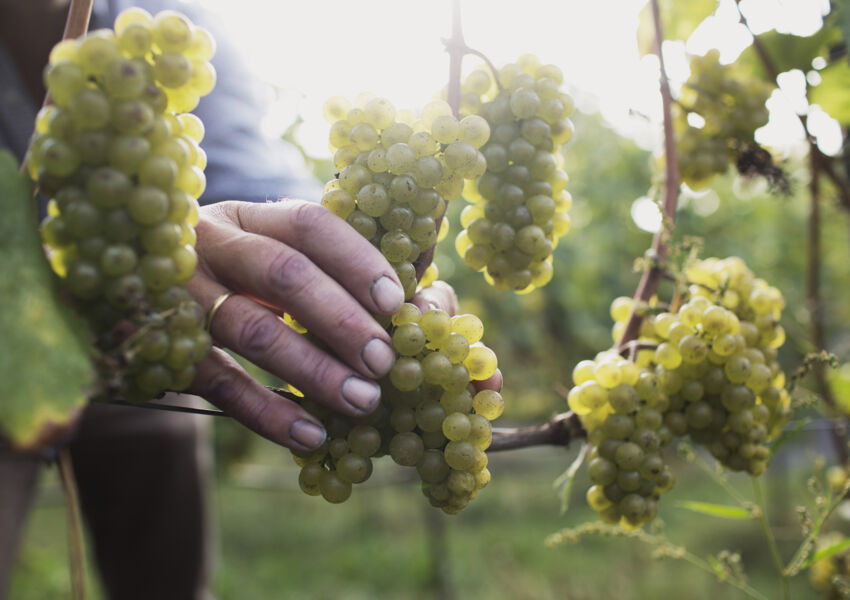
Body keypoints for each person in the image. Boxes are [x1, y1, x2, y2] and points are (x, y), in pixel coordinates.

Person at [0, 1, 481, 598]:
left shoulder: (171, 25)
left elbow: (250, 185)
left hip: (142, 324)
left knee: (165, 533)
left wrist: (335, 260)